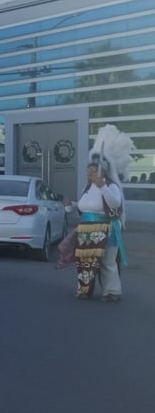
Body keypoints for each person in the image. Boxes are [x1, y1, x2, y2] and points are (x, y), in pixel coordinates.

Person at [63, 125, 134, 302]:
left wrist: (102, 185)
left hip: (107, 229)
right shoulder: (88, 188)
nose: (89, 173)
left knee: (107, 262)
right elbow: (85, 206)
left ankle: (112, 292)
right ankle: (85, 290)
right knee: (86, 262)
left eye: (93, 171)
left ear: (102, 171)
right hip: (87, 231)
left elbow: (115, 203)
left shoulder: (110, 186)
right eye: (89, 170)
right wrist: (70, 204)